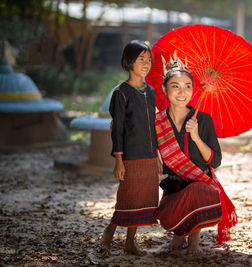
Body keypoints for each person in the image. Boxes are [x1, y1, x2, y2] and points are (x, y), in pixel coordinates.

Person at [154, 54, 237, 257]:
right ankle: (178, 237)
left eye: (188, 86)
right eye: (175, 86)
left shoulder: (203, 119)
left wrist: (196, 136)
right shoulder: (157, 122)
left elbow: (215, 161)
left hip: (199, 185)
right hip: (172, 185)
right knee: (166, 217)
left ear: (193, 89)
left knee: (198, 192)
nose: (182, 92)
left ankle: (194, 242)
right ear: (165, 89)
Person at [100, 40, 159, 256]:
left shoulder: (150, 92)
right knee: (128, 197)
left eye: (149, 59)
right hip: (130, 156)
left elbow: (152, 125)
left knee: (143, 198)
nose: (146, 63)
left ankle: (130, 242)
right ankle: (109, 232)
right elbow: (118, 129)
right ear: (129, 62)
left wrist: (158, 154)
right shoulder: (121, 93)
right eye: (141, 59)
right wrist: (118, 160)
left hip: (149, 155)